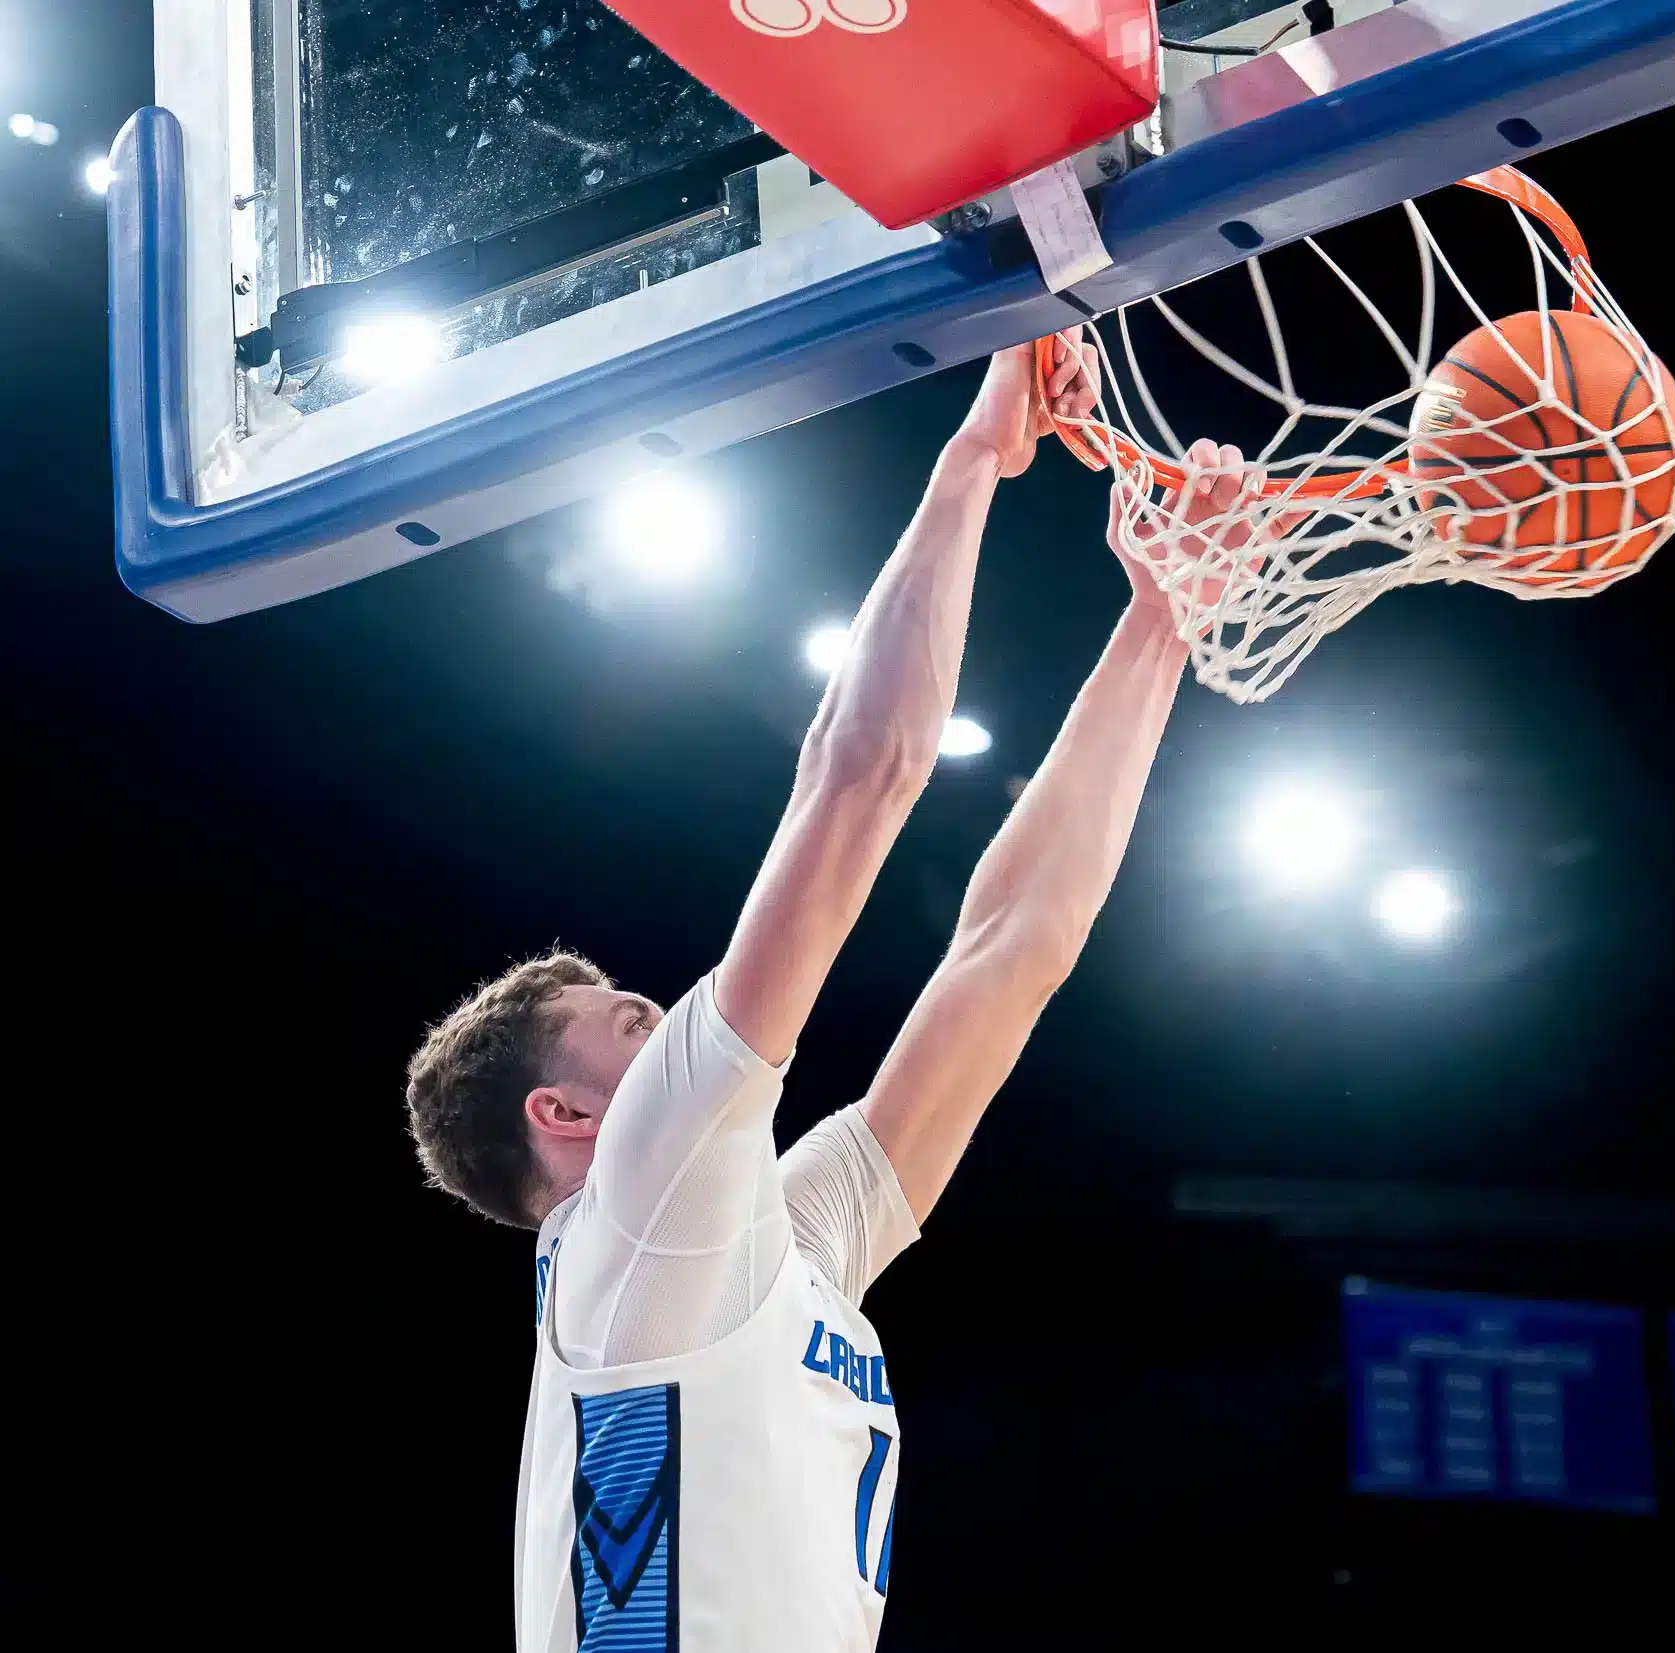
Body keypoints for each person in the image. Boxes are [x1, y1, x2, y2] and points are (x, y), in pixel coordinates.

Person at [400, 336, 1250, 1651]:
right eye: (637, 1024)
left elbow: (1011, 950)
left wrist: (1161, 621)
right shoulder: (640, 1209)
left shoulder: (761, 1250)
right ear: (567, 1118)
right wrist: (973, 462)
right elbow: (861, 773)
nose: (675, 1022)